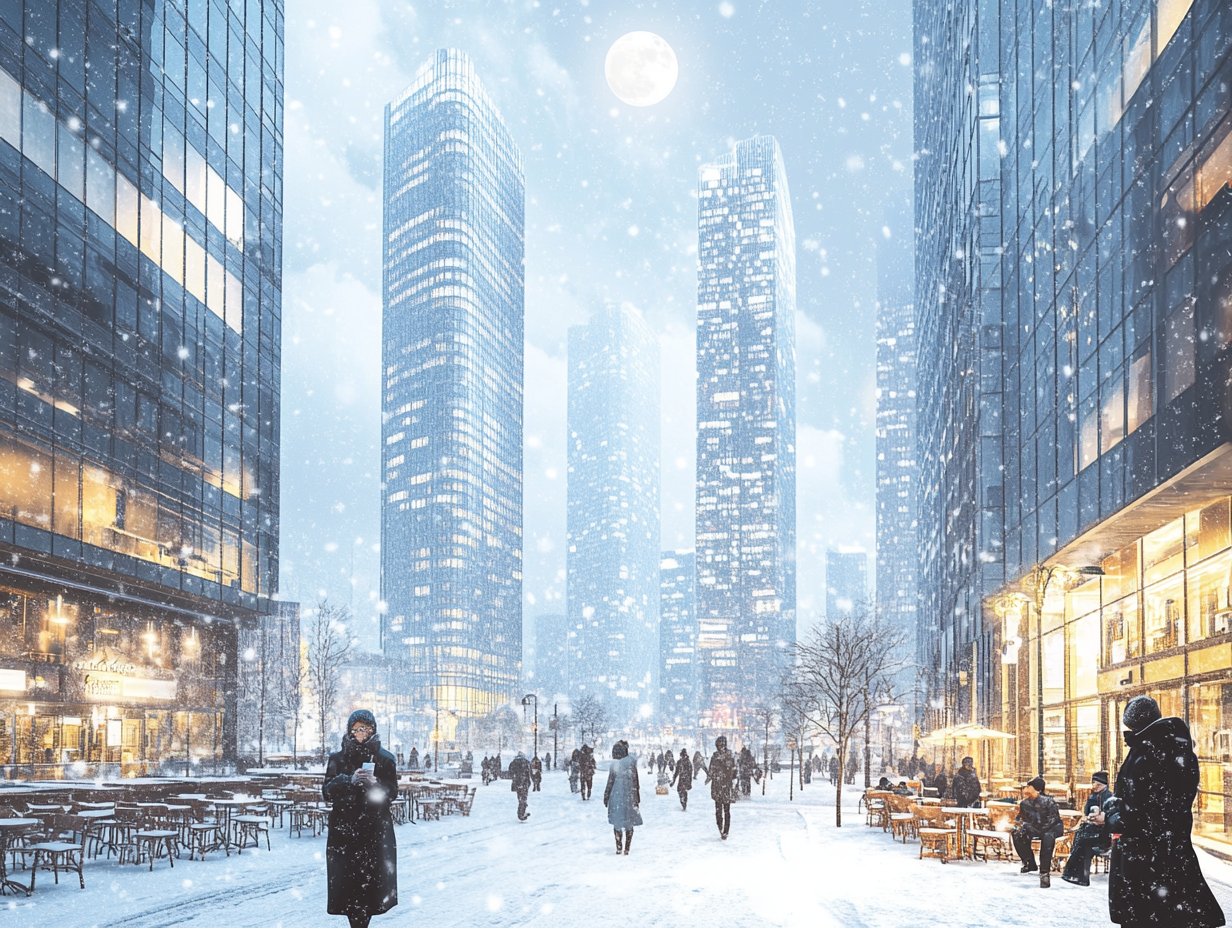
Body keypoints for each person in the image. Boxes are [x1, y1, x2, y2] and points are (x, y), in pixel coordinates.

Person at [1104, 695, 1225, 928]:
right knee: (1170, 915)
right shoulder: (1171, 748)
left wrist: (1113, 816)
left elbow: (1141, 810)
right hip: (1167, 853)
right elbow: (1166, 805)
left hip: (1146, 857)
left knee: (1147, 916)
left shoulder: (1147, 753)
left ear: (1134, 722)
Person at [323, 710, 398, 928]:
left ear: (372, 730)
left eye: (364, 728)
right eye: (356, 729)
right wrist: (349, 779)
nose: (360, 733)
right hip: (344, 834)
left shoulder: (385, 759)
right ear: (349, 731)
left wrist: (375, 784)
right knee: (347, 890)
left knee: (370, 891)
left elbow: (391, 794)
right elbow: (327, 791)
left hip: (373, 833)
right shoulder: (337, 759)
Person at [1061, 770, 1112, 887]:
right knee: (1081, 841)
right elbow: (1086, 812)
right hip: (1090, 828)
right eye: (1094, 784)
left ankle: (1079, 875)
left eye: (1098, 784)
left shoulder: (1108, 797)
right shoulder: (1092, 797)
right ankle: (1075, 874)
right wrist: (1089, 818)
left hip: (1103, 832)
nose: (1096, 786)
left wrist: (1102, 819)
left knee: (1084, 842)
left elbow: (1110, 816)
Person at [1011, 776, 1064, 888]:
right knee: (1017, 833)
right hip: (1035, 828)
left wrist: (1037, 828)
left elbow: (1052, 820)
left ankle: (1044, 872)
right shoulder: (1025, 803)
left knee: (1048, 838)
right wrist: (1022, 825)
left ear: (1036, 789)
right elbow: (1020, 818)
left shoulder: (1048, 801)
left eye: (1029, 786)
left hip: (1051, 828)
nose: (1026, 789)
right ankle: (1029, 862)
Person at [604, 740, 643, 854]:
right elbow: (636, 782)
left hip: (616, 797)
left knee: (617, 822)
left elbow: (610, 782)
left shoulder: (615, 765)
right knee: (629, 822)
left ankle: (618, 846)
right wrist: (637, 798)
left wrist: (606, 795)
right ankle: (627, 848)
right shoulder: (631, 764)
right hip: (630, 797)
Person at [706, 735, 737, 840]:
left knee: (721, 810)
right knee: (724, 810)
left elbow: (712, 771)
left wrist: (711, 777)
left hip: (721, 786)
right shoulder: (728, 756)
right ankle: (724, 830)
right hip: (723, 787)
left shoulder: (721, 756)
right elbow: (734, 771)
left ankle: (723, 830)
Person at [509, 751, 532, 821]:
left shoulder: (513, 763)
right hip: (524, 783)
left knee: (520, 798)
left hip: (517, 783)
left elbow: (510, 772)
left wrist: (515, 778)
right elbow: (528, 773)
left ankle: (522, 811)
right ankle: (521, 813)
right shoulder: (525, 762)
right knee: (523, 798)